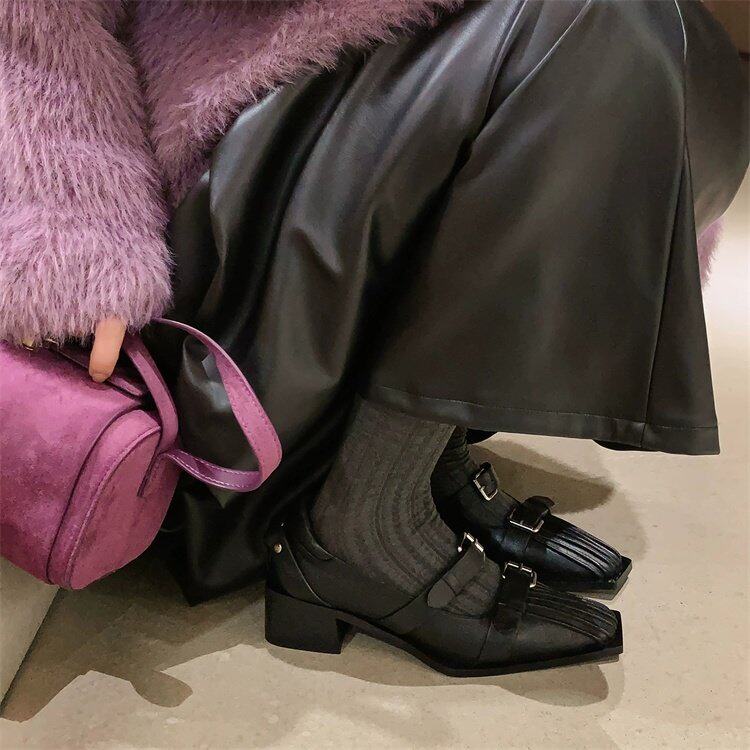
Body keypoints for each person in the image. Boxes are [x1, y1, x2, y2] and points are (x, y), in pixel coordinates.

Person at [1, 0, 747, 675]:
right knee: (593, 23)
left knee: (659, 34)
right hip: (219, 118)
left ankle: (422, 460)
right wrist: (75, 224)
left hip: (365, 57)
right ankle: (367, 529)